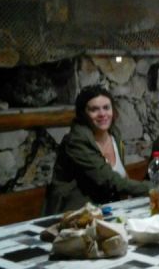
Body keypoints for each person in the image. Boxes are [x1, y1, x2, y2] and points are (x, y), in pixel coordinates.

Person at [44, 85, 151, 215]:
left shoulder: (114, 135)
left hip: (106, 210)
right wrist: (152, 188)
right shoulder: (77, 141)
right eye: (94, 109)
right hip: (74, 214)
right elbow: (109, 180)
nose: (102, 114)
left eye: (106, 107)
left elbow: (121, 176)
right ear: (83, 114)